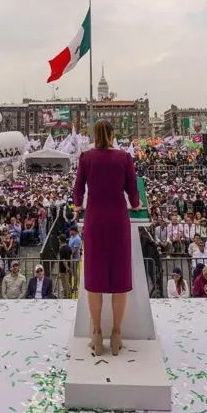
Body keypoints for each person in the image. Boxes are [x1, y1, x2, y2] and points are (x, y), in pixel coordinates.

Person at [72, 119, 140, 356]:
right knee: (119, 280)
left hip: (95, 221)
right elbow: (133, 191)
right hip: (118, 221)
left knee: (95, 280)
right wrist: (137, 203)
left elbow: (78, 190)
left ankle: (97, 334)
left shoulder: (86, 158)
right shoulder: (124, 158)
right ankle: (117, 334)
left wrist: (77, 205)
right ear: (112, 135)